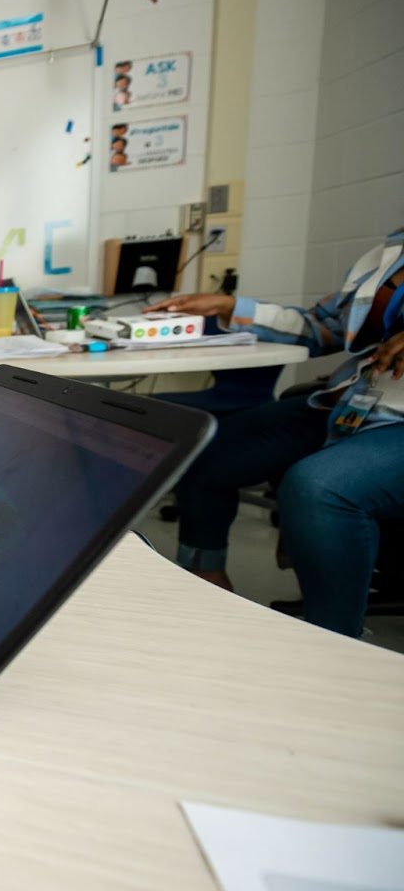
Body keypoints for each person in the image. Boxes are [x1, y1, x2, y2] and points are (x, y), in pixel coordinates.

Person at [146, 227, 404, 636]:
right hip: (355, 402)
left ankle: (334, 640)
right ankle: (203, 580)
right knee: (204, 445)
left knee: (318, 488)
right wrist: (231, 306)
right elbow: (323, 328)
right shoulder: (389, 253)